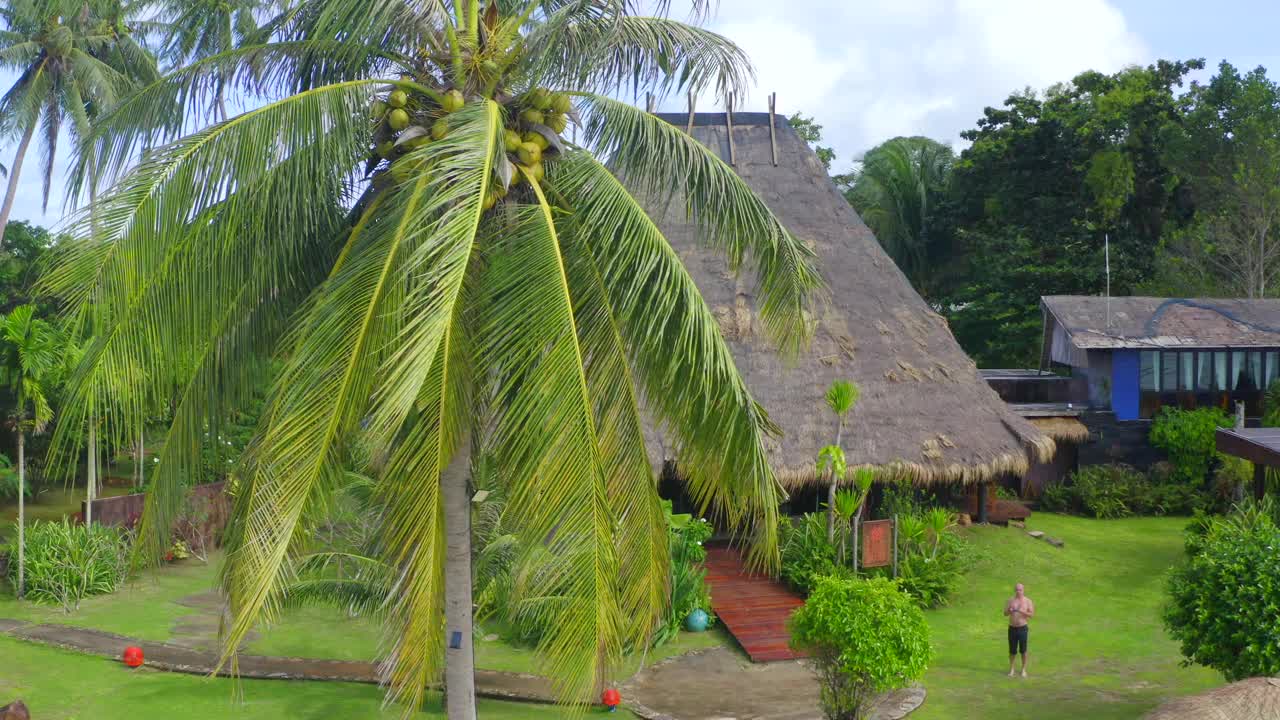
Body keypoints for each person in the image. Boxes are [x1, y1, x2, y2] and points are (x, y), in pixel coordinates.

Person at [1003, 582, 1034, 677]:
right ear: (1014, 590)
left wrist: (1021, 611)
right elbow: (1005, 613)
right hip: (1012, 628)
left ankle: (1023, 669)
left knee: (1023, 650)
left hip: (1023, 628)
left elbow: (1031, 614)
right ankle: (1011, 669)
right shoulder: (1010, 601)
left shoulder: (1028, 601)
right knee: (1012, 650)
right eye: (1016, 589)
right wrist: (1009, 610)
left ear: (1023, 590)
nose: (1018, 591)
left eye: (1020, 589)